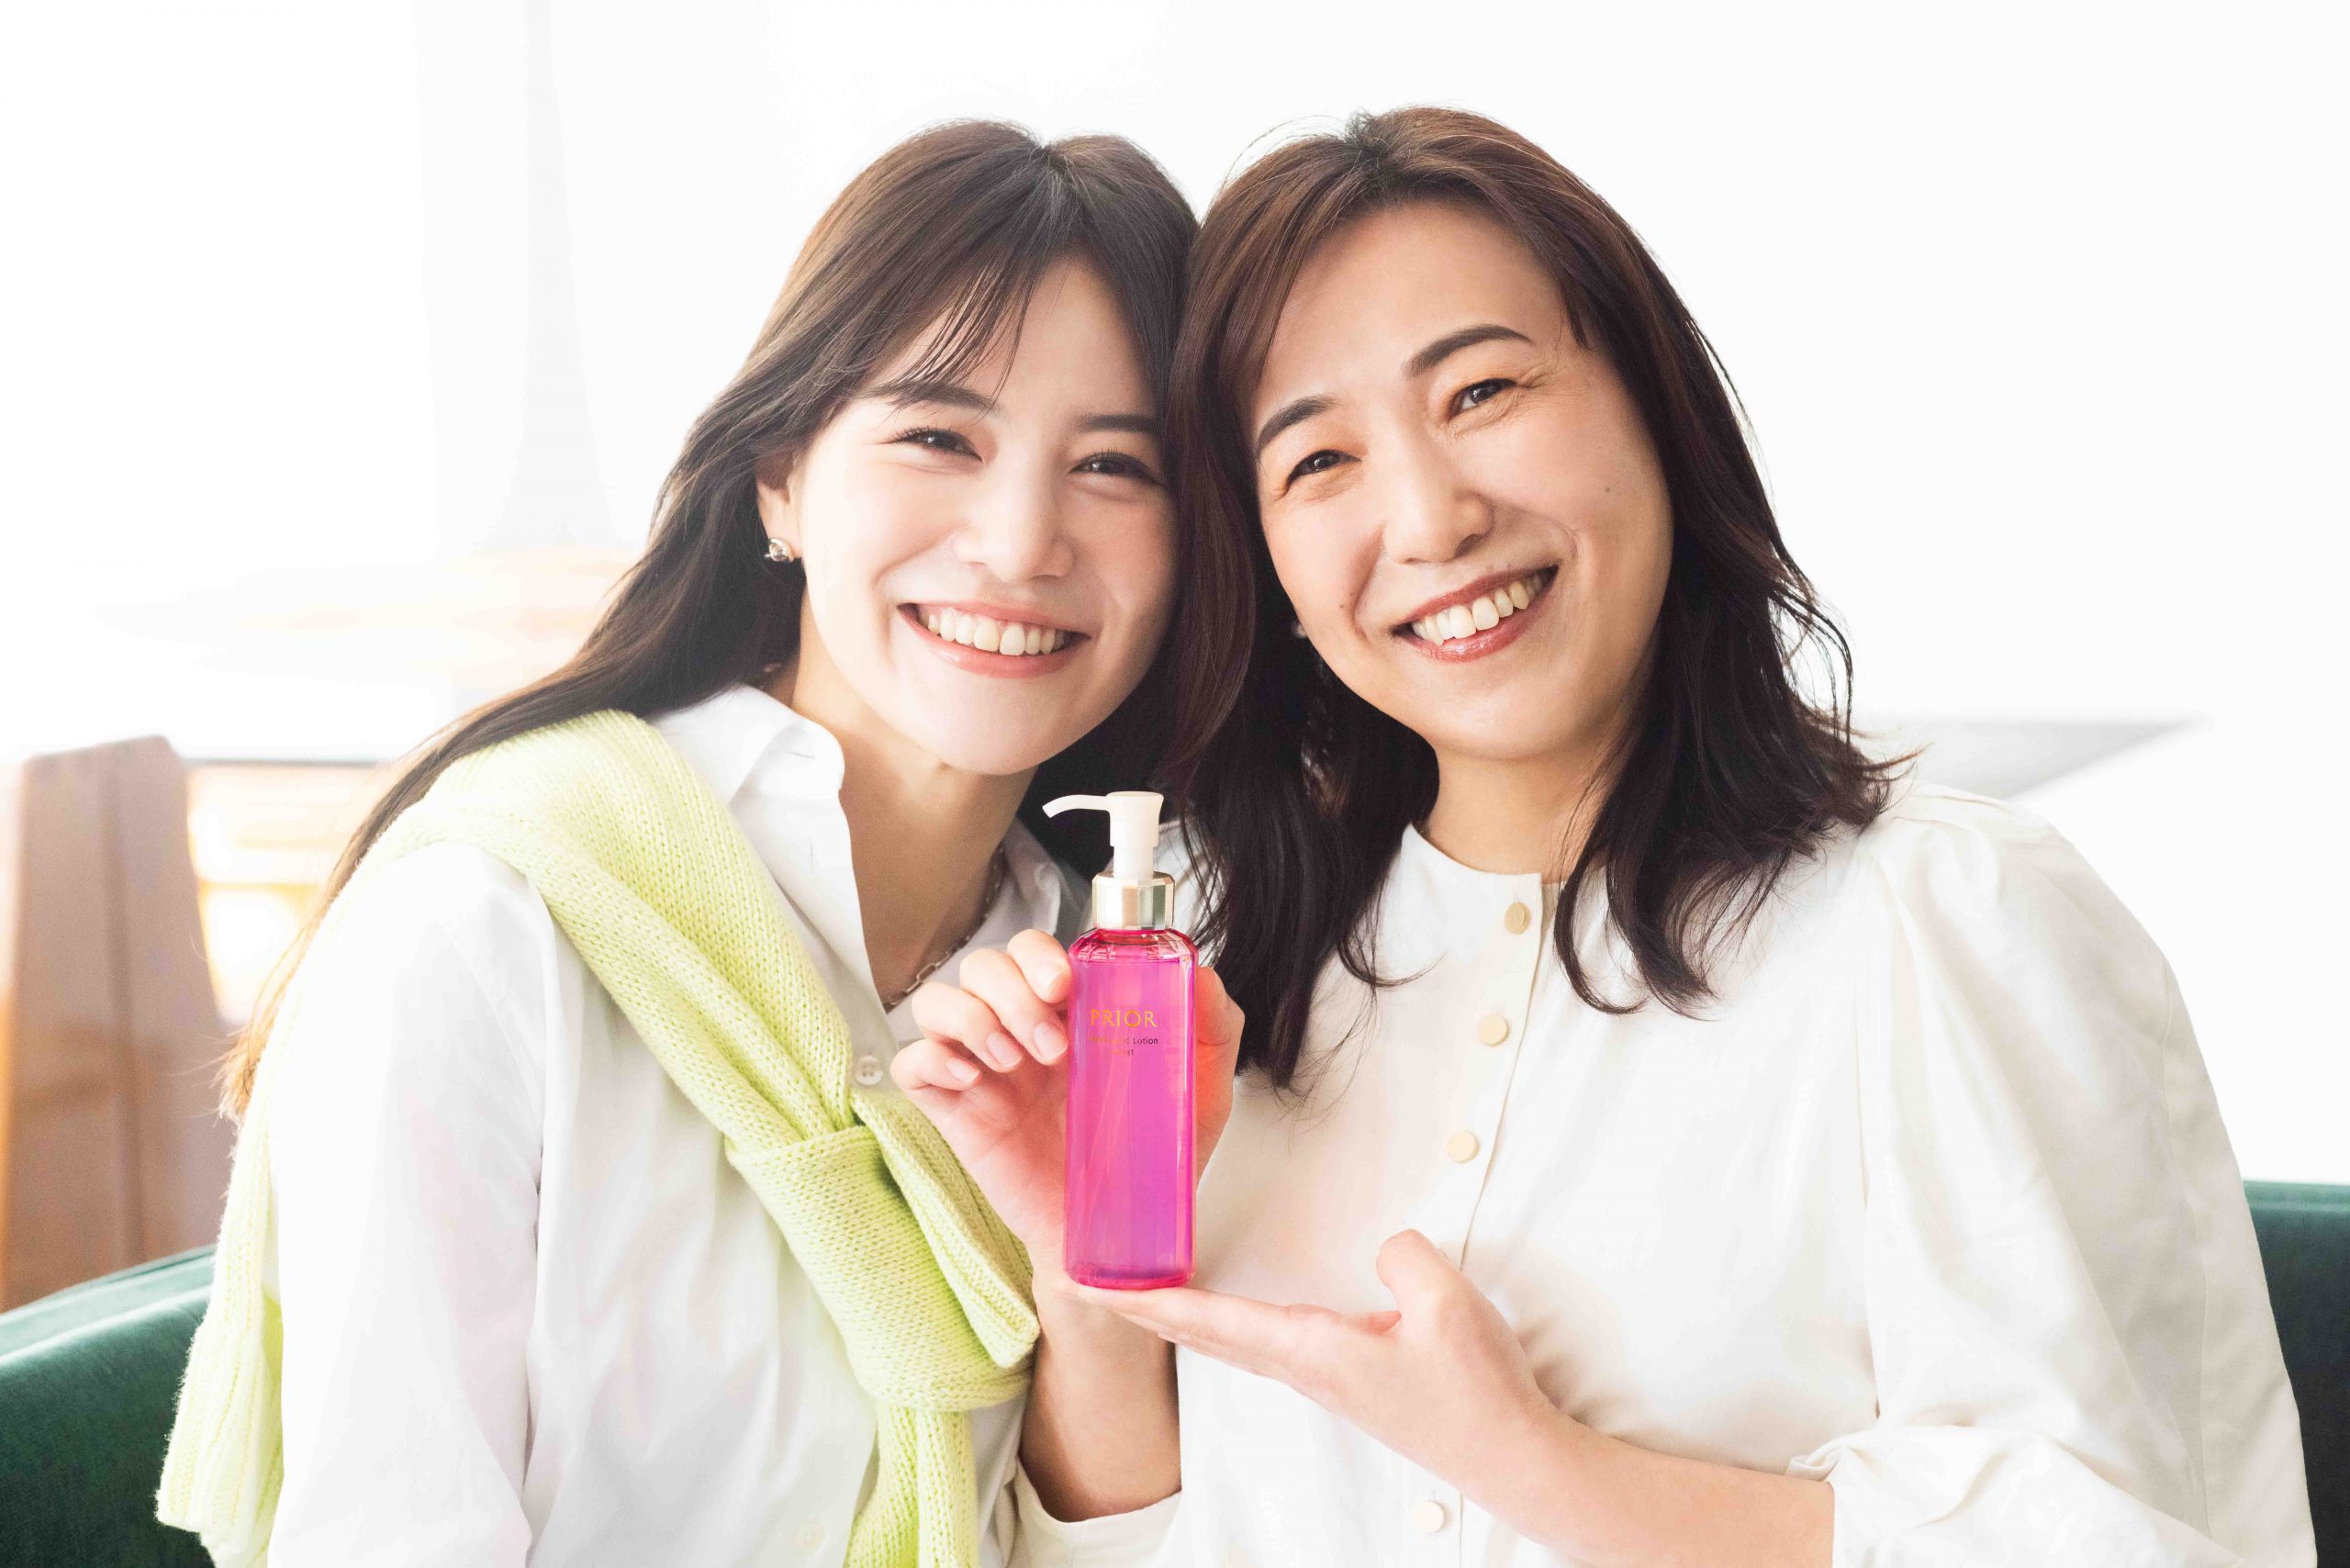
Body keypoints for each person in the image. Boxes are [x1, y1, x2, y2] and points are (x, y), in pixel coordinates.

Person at [898, 107, 2316, 1566]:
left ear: (1656, 411)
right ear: (1270, 571)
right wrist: (1088, 1280)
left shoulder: (1945, 918)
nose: (1429, 519)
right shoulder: (1207, 971)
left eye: (1482, 391)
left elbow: (2139, 1541)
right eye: (1318, 462)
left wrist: (1541, 1468)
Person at [157, 120, 1237, 1568]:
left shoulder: (1124, 991)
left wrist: (1090, 1281)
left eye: (1116, 466)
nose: (1021, 539)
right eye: (939, 438)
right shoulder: (492, 920)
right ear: (781, 477)